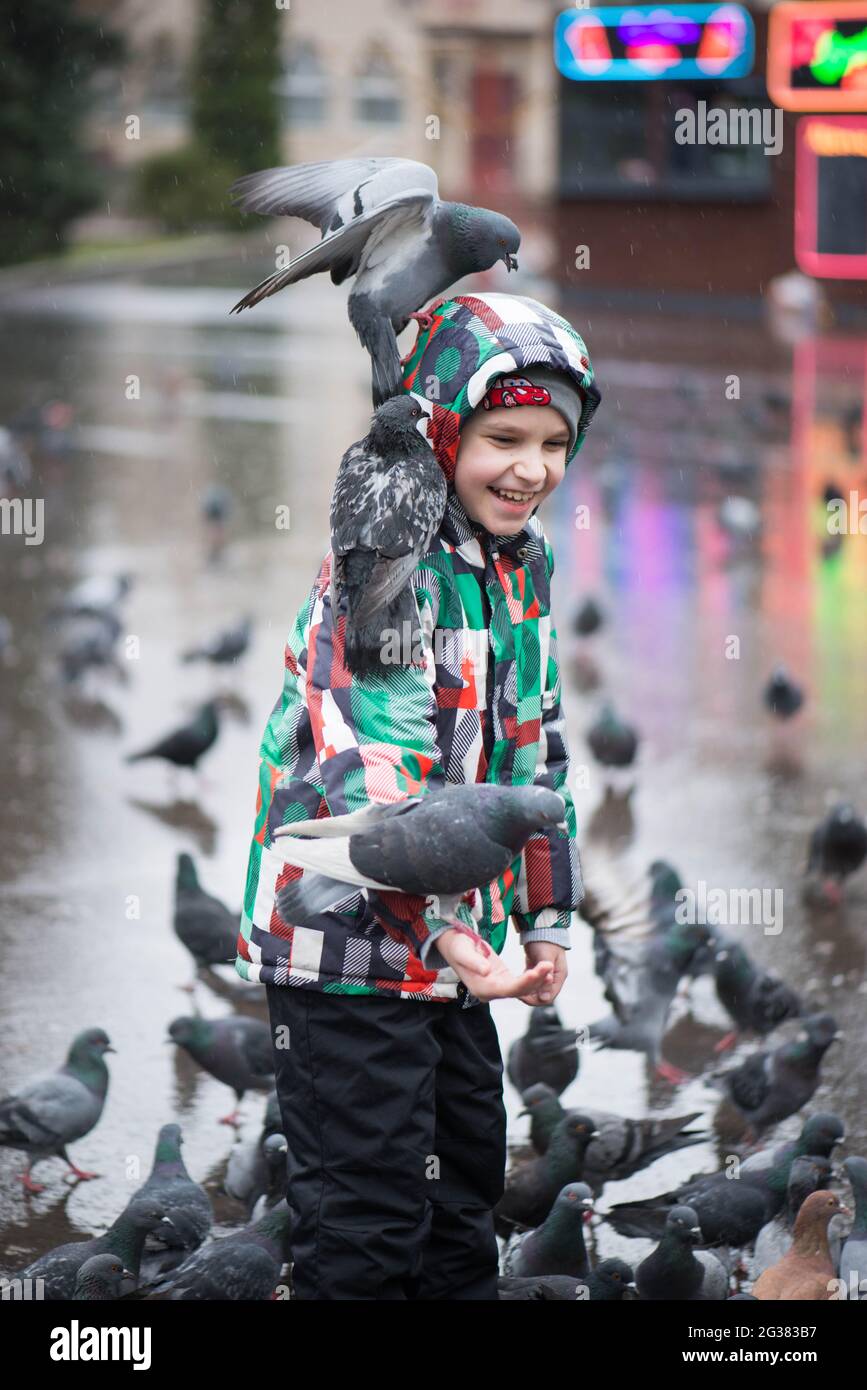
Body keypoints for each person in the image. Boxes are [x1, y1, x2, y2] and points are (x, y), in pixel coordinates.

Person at [235, 291, 601, 1299]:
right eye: (503, 437)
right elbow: (373, 770)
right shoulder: (388, 570)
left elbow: (538, 755)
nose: (532, 468)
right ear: (442, 428)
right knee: (368, 1218)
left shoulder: (519, 567)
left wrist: (549, 920)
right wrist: (446, 929)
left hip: (453, 951)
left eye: (554, 441)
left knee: (464, 1186)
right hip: (346, 945)